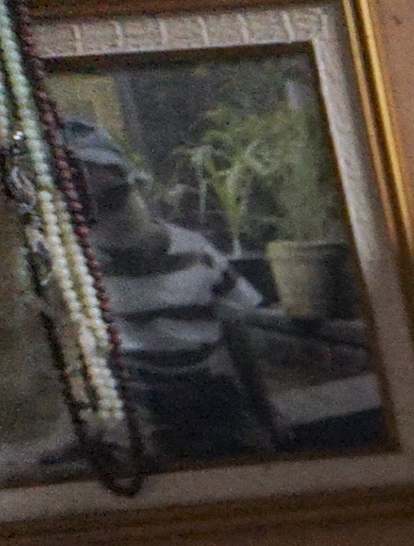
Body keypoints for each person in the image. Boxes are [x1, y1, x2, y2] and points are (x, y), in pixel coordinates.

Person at [65, 117, 277, 463]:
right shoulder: (76, 271)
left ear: (130, 180)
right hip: (137, 411)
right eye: (86, 202)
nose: (101, 206)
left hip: (213, 398)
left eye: (113, 194)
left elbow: (239, 335)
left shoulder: (197, 251)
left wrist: (264, 412)